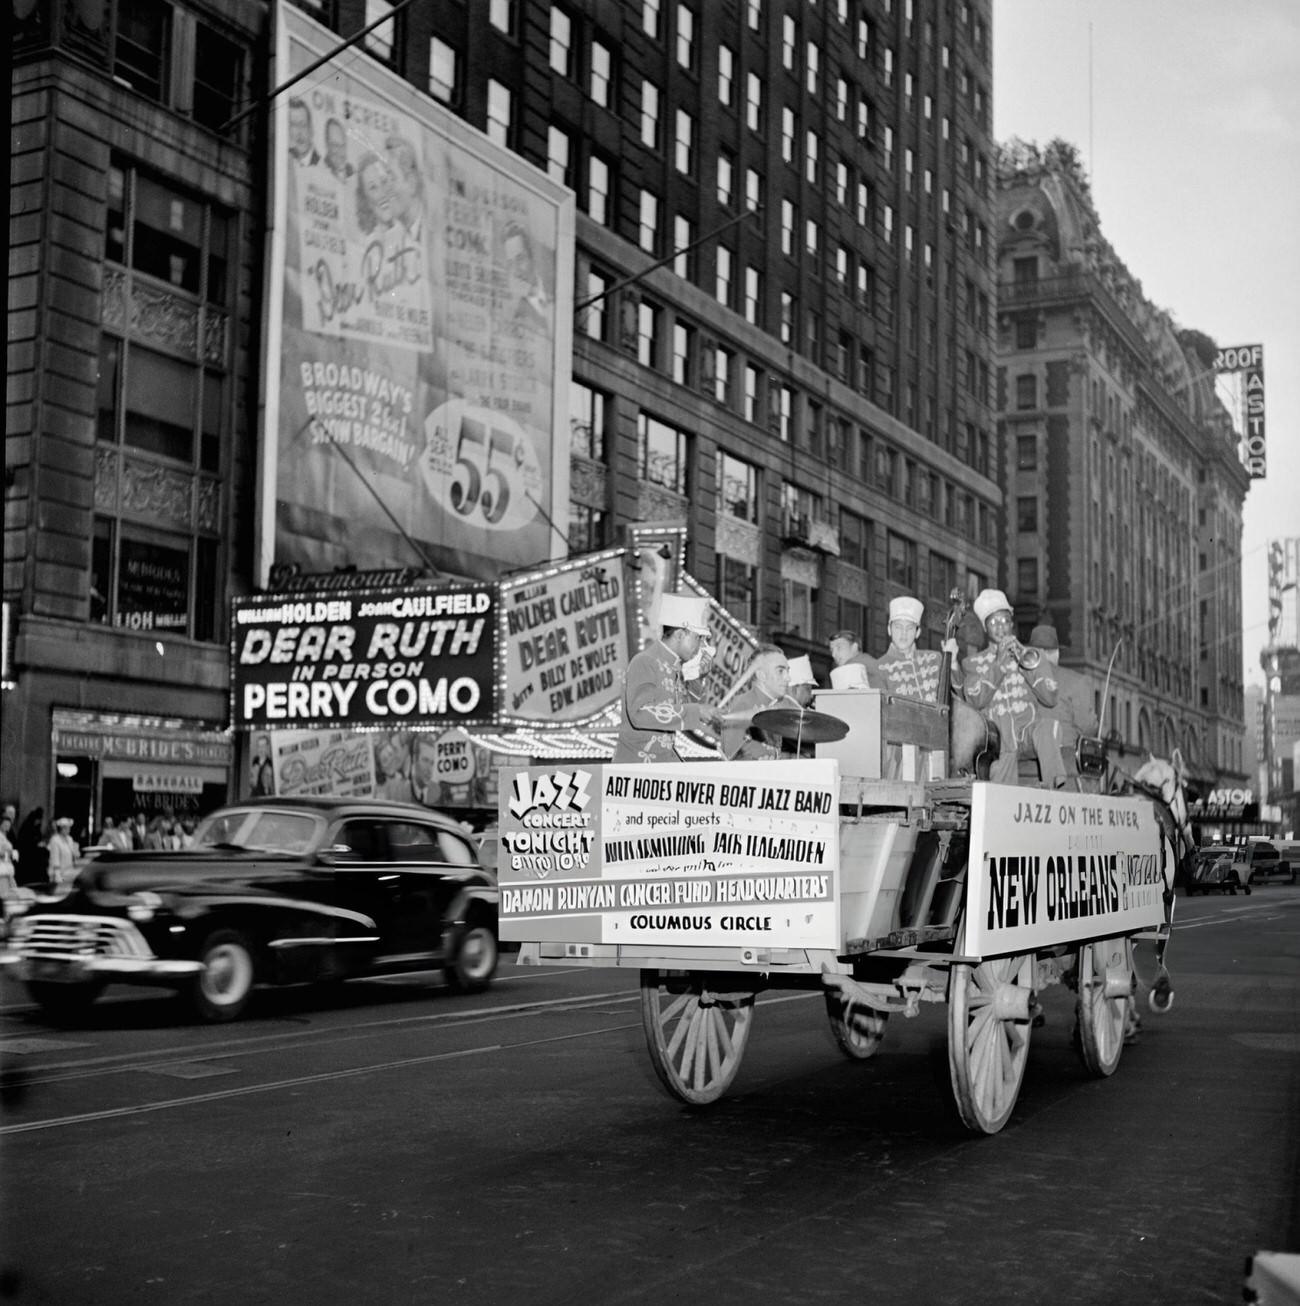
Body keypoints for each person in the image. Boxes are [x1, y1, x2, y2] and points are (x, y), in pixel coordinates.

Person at [962, 589, 1064, 788]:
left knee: (1048, 727)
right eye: (993, 622)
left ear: (1012, 624)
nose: (1000, 628)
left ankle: (1054, 788)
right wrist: (998, 666)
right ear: (985, 627)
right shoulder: (973, 663)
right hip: (998, 743)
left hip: (1027, 734)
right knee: (1004, 735)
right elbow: (975, 700)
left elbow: (1050, 698)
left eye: (1005, 621)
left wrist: (1025, 663)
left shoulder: (1033, 656)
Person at [614, 593, 720, 764]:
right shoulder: (645, 661)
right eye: (698, 638)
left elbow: (681, 712)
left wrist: (698, 678)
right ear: (680, 634)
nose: (701, 645)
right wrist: (698, 711)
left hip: (661, 767)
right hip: (635, 769)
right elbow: (640, 713)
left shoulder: (675, 668)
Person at [1027, 624, 1100, 790]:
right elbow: (1088, 727)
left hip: (1022, 768)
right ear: (1055, 653)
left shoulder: (1019, 680)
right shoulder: (1077, 681)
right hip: (1064, 769)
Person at [719, 646, 803, 760]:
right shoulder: (743, 705)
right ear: (761, 675)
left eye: (788, 671)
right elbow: (733, 755)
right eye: (780, 671)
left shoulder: (784, 704)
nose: (788, 678)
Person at [874, 596, 963, 702]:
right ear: (889, 630)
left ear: (918, 632)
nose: (904, 633)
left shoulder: (934, 659)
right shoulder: (878, 668)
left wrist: (952, 663)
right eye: (898, 627)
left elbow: (960, 694)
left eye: (910, 628)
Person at [501, 220, 553, 335]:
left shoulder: (555, 292)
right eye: (511, 263)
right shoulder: (512, 311)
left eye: (520, 259)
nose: (516, 270)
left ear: (532, 257)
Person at [46, 816, 81, 890]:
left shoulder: (70, 839)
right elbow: (55, 859)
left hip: (69, 874)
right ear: (61, 829)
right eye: (66, 828)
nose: (69, 830)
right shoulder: (55, 840)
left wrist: (76, 851)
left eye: (69, 827)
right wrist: (57, 876)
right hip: (58, 875)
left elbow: (74, 855)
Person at [287, 97, 320, 166]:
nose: (299, 132)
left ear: (311, 129)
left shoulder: (321, 164)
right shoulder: (286, 160)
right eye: (294, 125)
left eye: (303, 125)